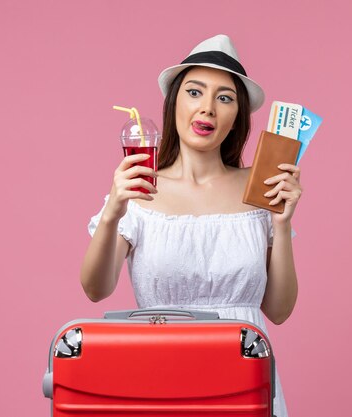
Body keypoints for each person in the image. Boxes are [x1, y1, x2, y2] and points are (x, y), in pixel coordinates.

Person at [80, 34, 302, 417]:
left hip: (245, 379)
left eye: (225, 98)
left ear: (237, 119)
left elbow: (278, 311)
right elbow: (96, 289)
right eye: (195, 92)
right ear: (174, 104)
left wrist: (281, 226)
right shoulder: (139, 190)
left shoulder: (260, 190)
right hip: (159, 375)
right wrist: (115, 209)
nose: (208, 109)